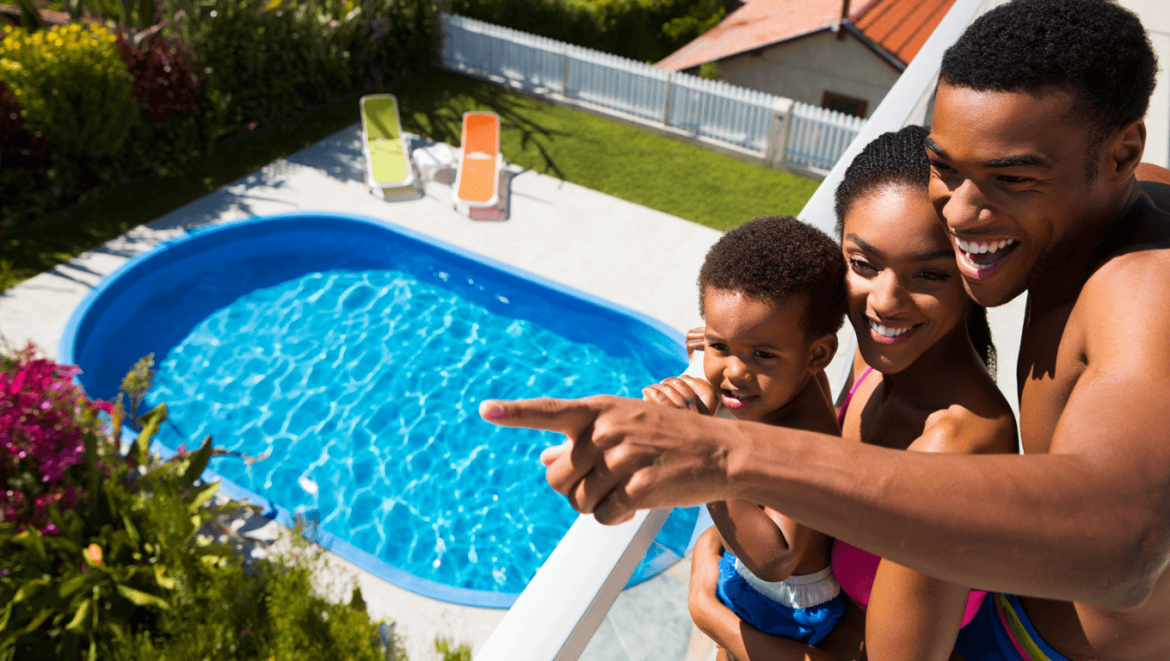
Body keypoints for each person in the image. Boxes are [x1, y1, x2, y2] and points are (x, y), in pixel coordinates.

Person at [479, 0, 1170, 658]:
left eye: (1010, 176)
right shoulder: (1114, 199)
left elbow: (1125, 545)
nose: (960, 212)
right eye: (944, 167)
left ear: (1119, 154)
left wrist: (719, 454)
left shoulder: (1142, 290)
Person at [657, 127, 1017, 661]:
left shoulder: (952, 450)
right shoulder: (877, 371)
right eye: (865, 265)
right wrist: (734, 348)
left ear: (970, 267)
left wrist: (712, 617)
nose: (885, 302)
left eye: (928, 274)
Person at [645, 215, 848, 660]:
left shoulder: (802, 439)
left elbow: (776, 559)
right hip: (770, 587)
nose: (734, 372)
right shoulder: (797, 378)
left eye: (761, 353)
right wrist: (731, 344)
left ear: (818, 353)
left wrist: (703, 446)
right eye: (720, 347)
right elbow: (750, 351)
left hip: (784, 606)